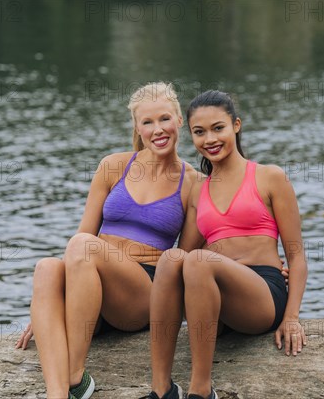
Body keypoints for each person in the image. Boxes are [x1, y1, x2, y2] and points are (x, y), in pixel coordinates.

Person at [14, 82, 201, 399]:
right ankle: (58, 395)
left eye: (165, 119)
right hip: (90, 287)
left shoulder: (193, 182)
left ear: (180, 120)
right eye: (148, 122)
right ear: (137, 127)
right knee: (46, 269)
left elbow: (187, 258)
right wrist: (47, 307)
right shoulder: (113, 166)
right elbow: (84, 232)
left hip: (142, 294)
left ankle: (75, 375)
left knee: (83, 246)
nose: (158, 129)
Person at [145, 90, 308, 399]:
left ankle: (202, 391)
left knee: (198, 260)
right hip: (217, 298)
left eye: (218, 128)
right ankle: (161, 389)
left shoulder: (269, 177)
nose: (210, 139)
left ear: (236, 125)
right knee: (171, 258)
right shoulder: (198, 190)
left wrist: (292, 318)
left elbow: (297, 256)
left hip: (263, 294)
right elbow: (183, 258)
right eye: (199, 132)